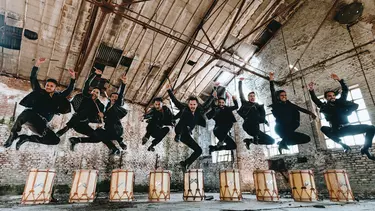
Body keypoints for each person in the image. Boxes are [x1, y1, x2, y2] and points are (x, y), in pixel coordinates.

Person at [3, 58, 75, 149]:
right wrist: (37, 64)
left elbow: (69, 90)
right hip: (32, 117)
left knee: (55, 140)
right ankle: (13, 134)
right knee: (28, 112)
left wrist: (73, 77)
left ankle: (26, 138)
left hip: (42, 125)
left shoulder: (58, 97)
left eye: (51, 86)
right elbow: (33, 78)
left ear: (55, 88)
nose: (48, 87)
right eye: (47, 85)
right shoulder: (39, 92)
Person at [308, 74, 375, 160]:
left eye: (333, 95)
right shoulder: (324, 106)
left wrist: (339, 80)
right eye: (329, 96)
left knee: (371, 128)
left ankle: (365, 148)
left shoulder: (340, 102)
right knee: (323, 128)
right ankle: (343, 145)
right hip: (337, 131)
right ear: (326, 98)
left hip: (348, 128)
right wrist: (311, 90)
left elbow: (345, 91)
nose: (332, 97)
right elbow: (315, 100)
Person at [56, 68, 119, 155]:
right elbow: (87, 84)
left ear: (99, 95)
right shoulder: (86, 96)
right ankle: (61, 132)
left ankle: (76, 140)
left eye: (97, 92)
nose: (95, 93)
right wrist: (94, 74)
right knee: (81, 112)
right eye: (94, 91)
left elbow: (99, 119)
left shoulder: (100, 105)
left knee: (97, 138)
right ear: (91, 92)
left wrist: (101, 116)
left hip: (83, 124)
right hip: (75, 120)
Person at [166, 83, 214, 172]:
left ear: (196, 105)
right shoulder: (185, 108)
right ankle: (178, 135)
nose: (192, 106)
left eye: (194, 105)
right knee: (185, 112)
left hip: (186, 135)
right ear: (188, 104)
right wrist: (169, 91)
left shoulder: (199, 110)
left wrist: (213, 96)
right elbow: (175, 101)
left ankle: (185, 163)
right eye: (191, 104)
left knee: (199, 151)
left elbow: (207, 104)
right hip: (179, 129)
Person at [269, 72, 316, 154]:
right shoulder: (276, 104)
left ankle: (283, 143)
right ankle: (283, 142)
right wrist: (271, 80)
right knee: (289, 129)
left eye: (285, 95)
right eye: (282, 95)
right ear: (278, 97)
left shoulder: (288, 103)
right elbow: (272, 91)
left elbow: (299, 108)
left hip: (289, 129)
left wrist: (311, 113)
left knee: (307, 139)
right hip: (280, 129)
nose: (284, 97)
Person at [238, 77, 275, 150]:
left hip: (256, 128)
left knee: (272, 141)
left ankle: (250, 141)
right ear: (248, 97)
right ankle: (254, 138)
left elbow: (260, 116)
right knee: (253, 111)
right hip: (248, 125)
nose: (252, 97)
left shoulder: (257, 105)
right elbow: (241, 93)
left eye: (253, 96)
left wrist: (265, 121)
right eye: (250, 96)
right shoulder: (245, 103)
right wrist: (240, 82)